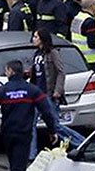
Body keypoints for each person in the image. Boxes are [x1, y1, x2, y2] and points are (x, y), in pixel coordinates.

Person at [28, 29, 84, 160]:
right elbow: (37, 74)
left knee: (55, 125)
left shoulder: (52, 53)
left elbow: (61, 72)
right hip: (37, 95)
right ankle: (31, 154)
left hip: (48, 95)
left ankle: (81, 143)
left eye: (36, 37)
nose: (33, 39)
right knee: (30, 124)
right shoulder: (37, 54)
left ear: (42, 38)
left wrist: (58, 90)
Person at [70, 0, 95, 75]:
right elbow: (93, 43)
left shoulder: (77, 18)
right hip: (92, 59)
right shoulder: (90, 22)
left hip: (80, 58)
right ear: (92, 6)